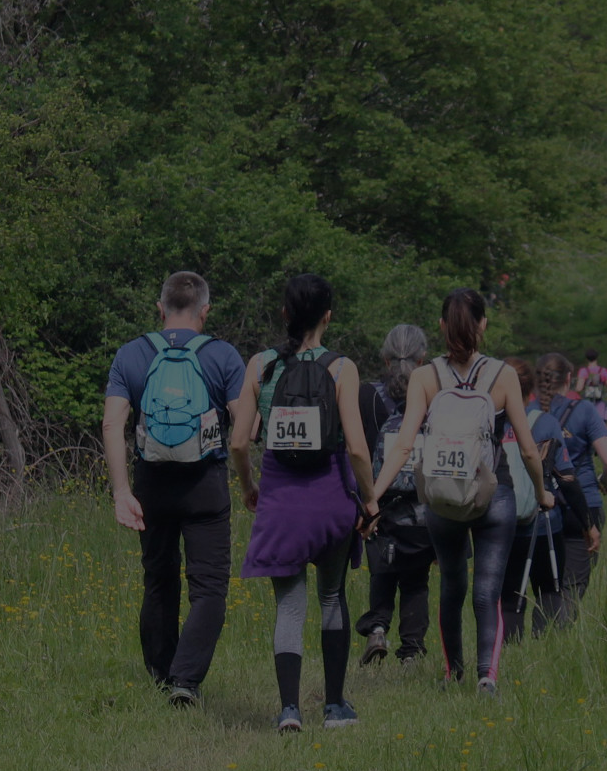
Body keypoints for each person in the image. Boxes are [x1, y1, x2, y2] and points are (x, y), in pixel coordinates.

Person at [373, 288, 551, 695]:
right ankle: (487, 676)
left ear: (440, 326)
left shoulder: (425, 377)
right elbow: (526, 447)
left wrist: (374, 496)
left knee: (452, 586)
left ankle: (453, 671)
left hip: (442, 496)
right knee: (488, 588)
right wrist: (542, 493)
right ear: (483, 325)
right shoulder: (503, 375)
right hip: (494, 494)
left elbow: (403, 446)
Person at [229, 274, 380, 733]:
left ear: (285, 314)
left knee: (289, 607)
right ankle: (334, 707)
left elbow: (238, 443)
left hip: (280, 497)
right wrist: (370, 500)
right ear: (328, 317)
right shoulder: (341, 368)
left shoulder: (259, 366)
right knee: (332, 595)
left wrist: (248, 486)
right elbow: (356, 446)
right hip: (331, 496)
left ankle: (289, 710)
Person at [103, 272, 249, 706]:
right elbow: (245, 426)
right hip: (205, 484)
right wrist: (248, 482)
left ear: (160, 308)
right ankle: (186, 682)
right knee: (209, 587)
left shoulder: (132, 354)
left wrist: (121, 492)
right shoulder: (222, 356)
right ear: (205, 311)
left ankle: (163, 675)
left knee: (158, 578)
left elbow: (113, 424)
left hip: (152, 483)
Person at [498, 358, 595, 639]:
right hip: (541, 524)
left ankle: (508, 651)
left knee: (509, 595)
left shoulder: (492, 421)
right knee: (549, 589)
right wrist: (587, 523)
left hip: (500, 522)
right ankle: (544, 646)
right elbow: (567, 479)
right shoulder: (544, 422)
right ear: (531, 389)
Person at [355, 325, 435, 666]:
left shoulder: (368, 396)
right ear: (423, 359)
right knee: (417, 581)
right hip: (423, 509)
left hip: (379, 505)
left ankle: (376, 628)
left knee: (382, 571)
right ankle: (412, 649)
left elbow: (358, 450)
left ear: (385, 360)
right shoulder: (435, 399)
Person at [539, 351, 607, 610]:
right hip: (582, 501)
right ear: (570, 378)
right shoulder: (584, 410)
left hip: (542, 502)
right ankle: (561, 628)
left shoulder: (529, 411)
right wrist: (605, 481)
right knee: (576, 579)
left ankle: (545, 629)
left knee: (547, 577)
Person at [574, 348, 607, 425]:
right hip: (600, 403)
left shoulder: (584, 371)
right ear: (596, 357)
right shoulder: (603, 371)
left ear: (586, 358)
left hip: (587, 403)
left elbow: (579, 388)